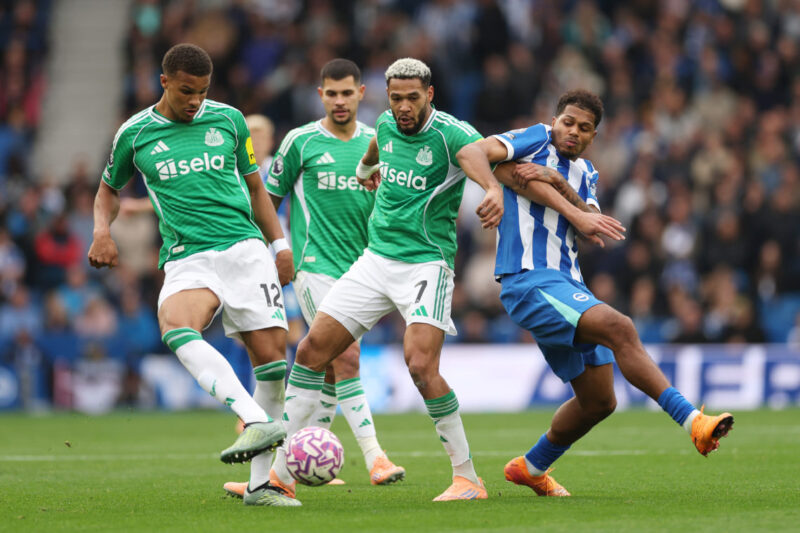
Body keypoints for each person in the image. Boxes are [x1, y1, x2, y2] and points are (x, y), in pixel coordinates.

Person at [457, 88, 734, 497]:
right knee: (620, 326)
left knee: (599, 401)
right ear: (555, 121)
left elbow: (592, 226)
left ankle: (531, 467)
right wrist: (495, 188)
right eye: (567, 122)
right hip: (530, 279)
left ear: (593, 136)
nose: (572, 131)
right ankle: (693, 421)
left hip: (568, 284)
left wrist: (559, 185)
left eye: (584, 128)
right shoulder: (534, 138)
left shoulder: (585, 172)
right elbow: (471, 152)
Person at [269, 57, 503, 502]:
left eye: (412, 98)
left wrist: (491, 187)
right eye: (395, 98)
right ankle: (282, 474)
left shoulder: (449, 132)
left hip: (425, 264)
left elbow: (474, 153)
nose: (403, 107)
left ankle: (467, 478)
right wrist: (364, 170)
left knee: (419, 365)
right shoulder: (386, 125)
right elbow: (377, 144)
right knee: (313, 349)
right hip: (376, 260)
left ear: (429, 95)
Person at [87, 43, 298, 507]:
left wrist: (279, 245)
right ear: (164, 82)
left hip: (245, 249)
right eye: (186, 91)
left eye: (202, 92)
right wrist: (102, 231)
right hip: (188, 255)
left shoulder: (229, 120)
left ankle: (261, 486)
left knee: (272, 365)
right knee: (174, 324)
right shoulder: (135, 134)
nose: (194, 101)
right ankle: (252, 417)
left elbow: (256, 188)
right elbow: (107, 190)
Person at [222, 59, 405, 500]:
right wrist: (274, 252)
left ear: (362, 93)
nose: (339, 101)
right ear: (320, 95)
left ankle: (280, 472)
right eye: (331, 93)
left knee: (323, 370)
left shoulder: (378, 145)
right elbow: (267, 200)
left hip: (364, 269)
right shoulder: (301, 142)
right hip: (314, 265)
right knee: (346, 358)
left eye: (347, 93)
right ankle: (375, 456)